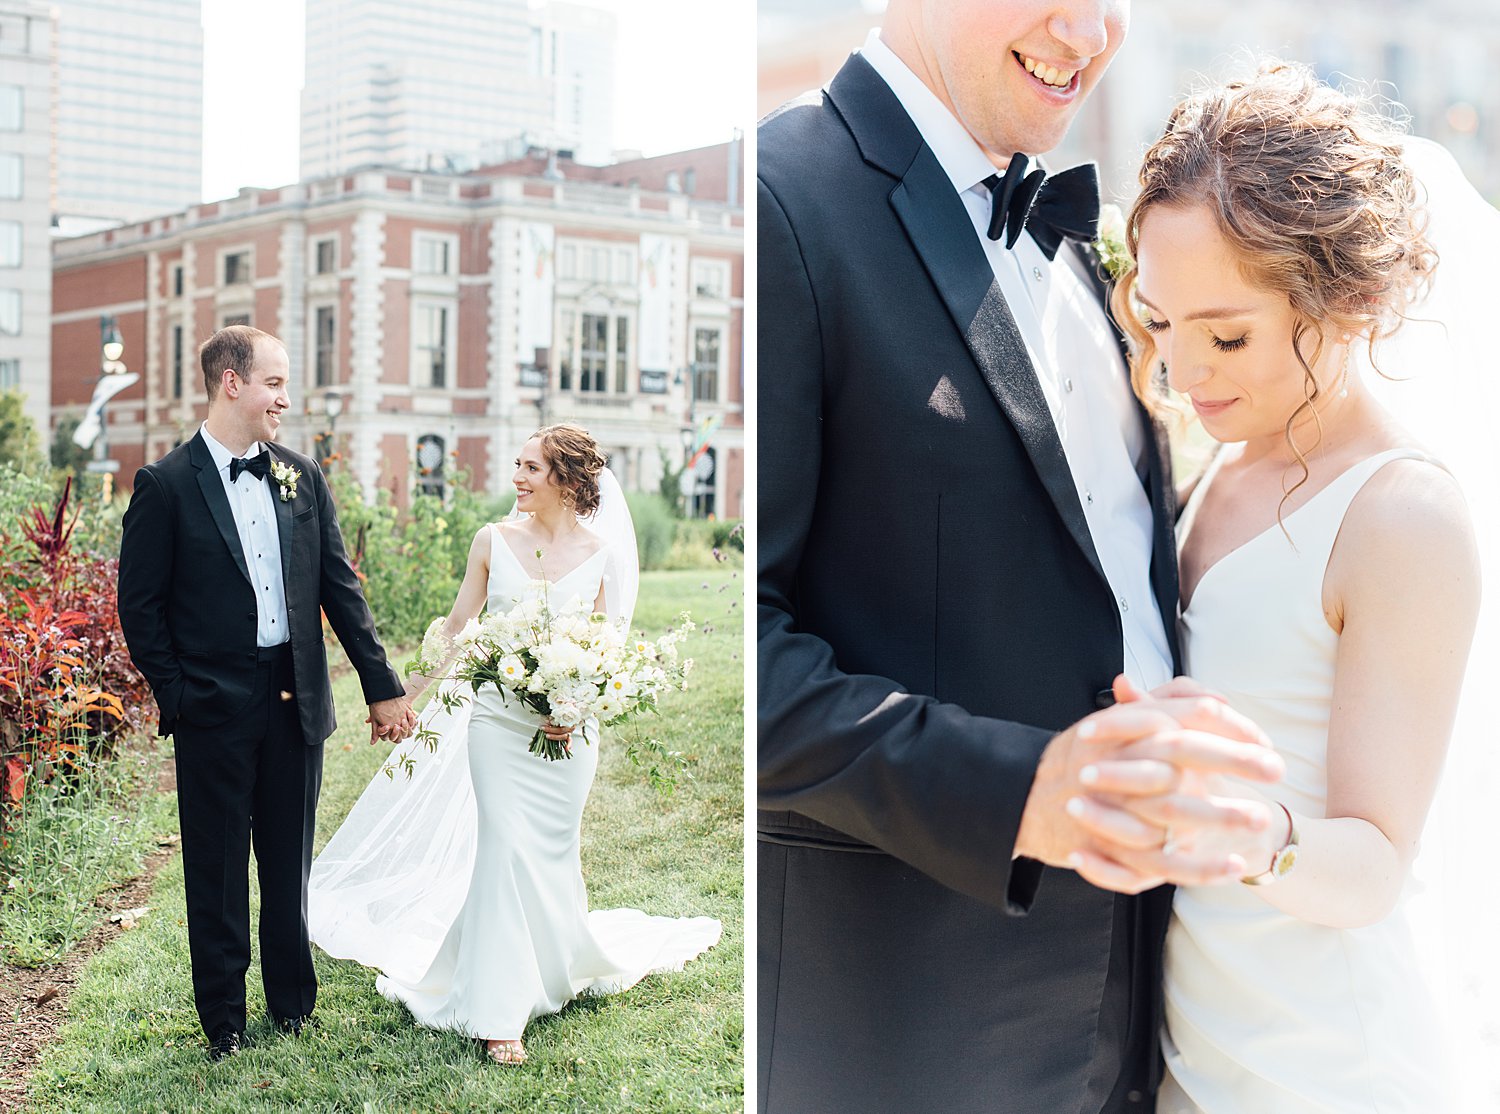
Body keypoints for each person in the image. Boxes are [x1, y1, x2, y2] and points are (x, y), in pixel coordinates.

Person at [757, 4, 1290, 1112]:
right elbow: (740, 659)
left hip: (1150, 1009)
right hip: (911, 1030)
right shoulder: (776, 202)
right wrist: (1024, 793)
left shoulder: (1083, 248)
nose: (1089, 29)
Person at [1100, 62, 1489, 1112]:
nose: (1185, 371)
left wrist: (1248, 828)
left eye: (1227, 335)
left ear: (1351, 297)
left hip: (1327, 1066)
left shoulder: (1400, 516)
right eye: (1162, 323)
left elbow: (1372, 859)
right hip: (1195, 1048)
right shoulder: (1221, 460)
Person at [308, 423, 720, 1066]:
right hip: (497, 725)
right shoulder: (492, 541)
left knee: (551, 854)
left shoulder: (601, 554)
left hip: (568, 733)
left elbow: (610, 653)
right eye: (518, 465)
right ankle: (499, 1012)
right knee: (501, 847)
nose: (518, 479)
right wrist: (403, 694)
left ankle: (552, 965)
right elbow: (452, 631)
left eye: (531, 468)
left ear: (569, 480)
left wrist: (580, 704)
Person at [116, 325, 415, 1062]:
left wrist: (384, 689)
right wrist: (179, 695)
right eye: (275, 383)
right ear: (232, 383)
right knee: (216, 874)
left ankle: (293, 1009)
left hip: (297, 699)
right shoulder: (165, 485)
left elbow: (340, 589)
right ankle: (224, 1022)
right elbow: (140, 609)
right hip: (212, 708)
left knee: (289, 866)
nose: (285, 397)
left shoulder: (301, 476)